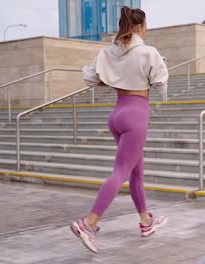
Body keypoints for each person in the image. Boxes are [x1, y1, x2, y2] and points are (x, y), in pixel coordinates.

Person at [70, 6, 169, 253]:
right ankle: (89, 223)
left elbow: (91, 78)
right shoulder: (148, 52)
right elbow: (160, 83)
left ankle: (146, 221)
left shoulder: (109, 52)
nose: (147, 29)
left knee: (136, 171)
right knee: (121, 172)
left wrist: (116, 77)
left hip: (117, 113)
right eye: (146, 25)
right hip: (136, 113)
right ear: (139, 26)